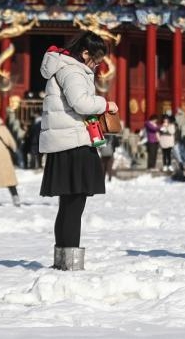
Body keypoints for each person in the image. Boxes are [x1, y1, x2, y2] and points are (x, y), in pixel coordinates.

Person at [39, 32, 117, 271]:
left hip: (65, 142)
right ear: (85, 53)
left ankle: (62, 259)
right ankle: (70, 263)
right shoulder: (73, 71)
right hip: (74, 142)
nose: (97, 65)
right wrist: (106, 104)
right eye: (96, 60)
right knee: (74, 205)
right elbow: (81, 103)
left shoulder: (63, 67)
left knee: (68, 205)